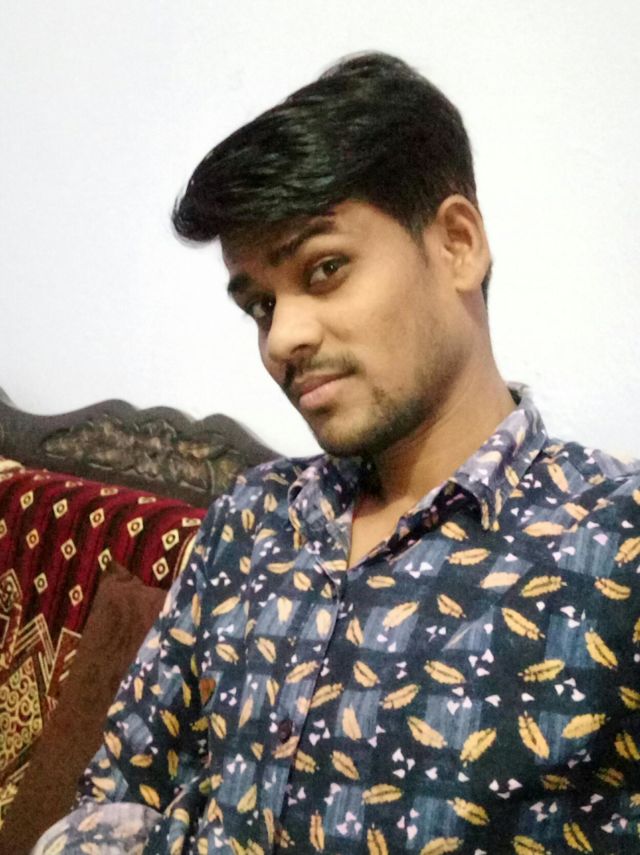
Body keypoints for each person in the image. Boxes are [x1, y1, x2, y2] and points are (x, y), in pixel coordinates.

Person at [34, 52, 640, 855]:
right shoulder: (251, 518)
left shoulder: (615, 546)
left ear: (457, 244)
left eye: (325, 269)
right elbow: (120, 789)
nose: (282, 337)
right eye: (260, 305)